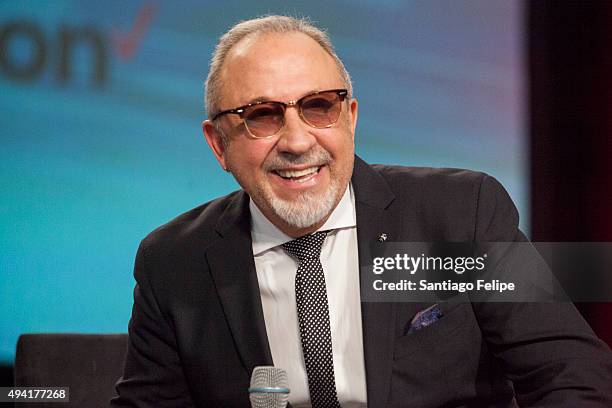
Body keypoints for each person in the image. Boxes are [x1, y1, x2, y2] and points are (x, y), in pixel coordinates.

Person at [111, 15, 612, 407]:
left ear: (350, 118)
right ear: (218, 144)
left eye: (318, 107)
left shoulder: (462, 215)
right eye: (261, 116)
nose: (297, 140)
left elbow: (571, 374)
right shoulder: (175, 260)